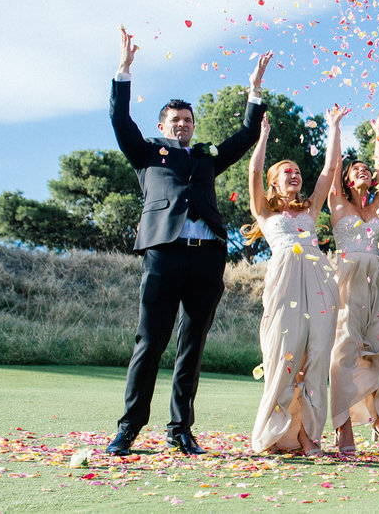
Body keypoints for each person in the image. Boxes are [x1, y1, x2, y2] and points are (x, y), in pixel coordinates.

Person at [106, 26, 269, 457]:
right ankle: (128, 428)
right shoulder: (146, 155)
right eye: (175, 120)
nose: (182, 125)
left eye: (188, 121)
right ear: (162, 126)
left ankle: (181, 430)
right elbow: (120, 120)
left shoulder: (204, 158)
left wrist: (254, 91)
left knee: (192, 346)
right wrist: (123, 72)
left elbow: (244, 137)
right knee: (150, 342)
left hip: (207, 259)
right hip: (164, 254)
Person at [244, 106, 347, 455]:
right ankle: (276, 431)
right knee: (284, 356)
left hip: (319, 280)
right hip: (284, 282)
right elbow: (254, 170)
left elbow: (331, 169)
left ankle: (308, 434)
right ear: (274, 182)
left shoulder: (310, 210)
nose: (295, 175)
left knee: (318, 354)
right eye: (287, 172)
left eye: (298, 172)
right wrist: (262, 138)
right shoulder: (265, 211)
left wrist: (333, 126)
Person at [327, 111, 379, 454]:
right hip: (346, 284)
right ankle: (343, 427)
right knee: (343, 352)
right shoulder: (338, 203)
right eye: (357, 170)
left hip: (378, 286)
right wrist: (336, 128)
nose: (364, 172)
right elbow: (333, 169)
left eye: (366, 170)